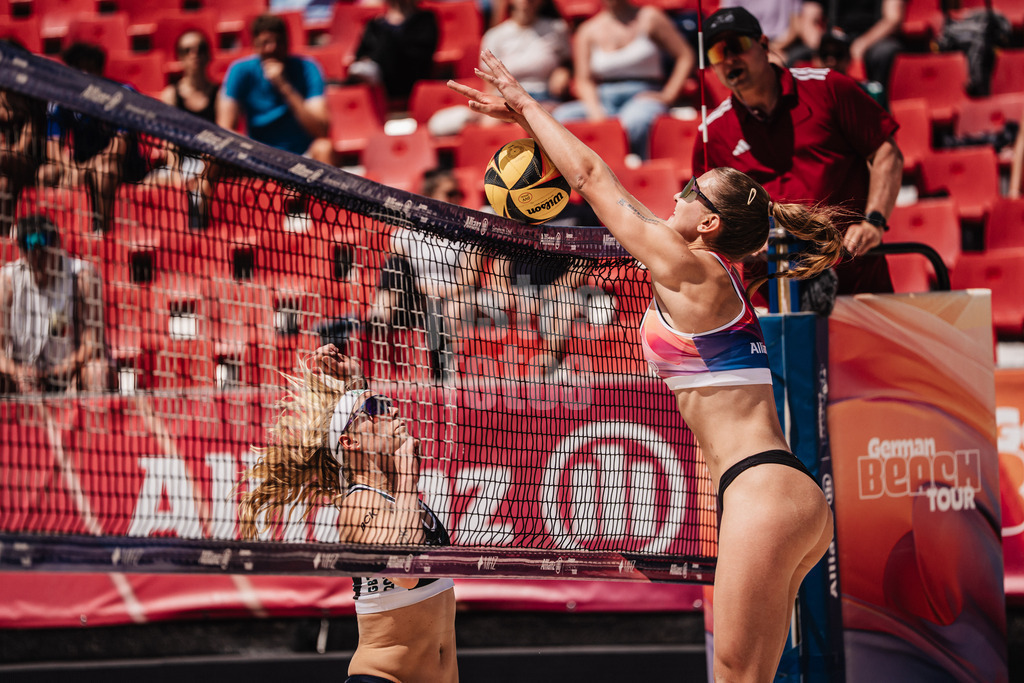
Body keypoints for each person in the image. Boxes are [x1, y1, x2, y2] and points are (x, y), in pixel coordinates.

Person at [450, 49, 841, 680]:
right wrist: (529, 128)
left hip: (762, 493)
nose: (679, 191)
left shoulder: (695, 270)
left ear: (709, 223)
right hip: (778, 491)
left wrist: (526, 104)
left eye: (691, 191)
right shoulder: (699, 272)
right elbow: (620, 199)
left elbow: (595, 180)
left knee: (738, 677)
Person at [238, 347, 458, 683]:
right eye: (376, 408)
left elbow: (362, 420)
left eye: (385, 402)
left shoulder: (395, 496)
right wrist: (409, 479)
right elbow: (406, 572)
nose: (392, 408)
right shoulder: (358, 506)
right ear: (350, 441)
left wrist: (356, 380)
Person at [692, 7, 903, 303]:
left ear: (764, 45)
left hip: (856, 284)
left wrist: (874, 221)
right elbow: (705, 212)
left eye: (737, 46)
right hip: (771, 298)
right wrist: (742, 243)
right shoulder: (713, 132)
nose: (728, 59)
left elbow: (886, 151)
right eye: (717, 53)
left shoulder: (828, 87)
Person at [364, 168, 481, 382]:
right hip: (414, 298)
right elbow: (396, 271)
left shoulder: (468, 235)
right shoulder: (408, 232)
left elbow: (469, 279)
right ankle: (379, 315)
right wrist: (422, 290)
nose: (455, 199)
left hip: (451, 295)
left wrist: (440, 290)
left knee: (450, 308)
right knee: (395, 264)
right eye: (449, 193)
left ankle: (448, 371)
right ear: (431, 197)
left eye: (458, 194)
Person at [551, 0, 695, 159]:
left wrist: (668, 95)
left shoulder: (650, 18)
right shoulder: (588, 30)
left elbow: (685, 56)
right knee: (561, 117)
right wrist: (595, 112)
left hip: (643, 93)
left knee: (635, 122)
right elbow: (584, 80)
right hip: (603, 97)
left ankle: (637, 170)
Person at [39, 42, 148, 233]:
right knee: (45, 174)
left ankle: (103, 232)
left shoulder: (121, 94)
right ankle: (57, 233)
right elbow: (53, 148)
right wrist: (70, 168)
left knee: (104, 171)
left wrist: (82, 170)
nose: (85, 75)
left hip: (124, 168)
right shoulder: (61, 99)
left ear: (100, 70)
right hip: (82, 164)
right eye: (79, 69)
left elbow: (118, 150)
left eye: (90, 69)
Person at [0, 214, 115, 394]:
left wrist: (54, 373)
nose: (40, 260)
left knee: (98, 372)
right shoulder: (7, 283)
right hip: (24, 375)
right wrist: (18, 372)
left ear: (57, 244)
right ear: (23, 253)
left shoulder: (82, 278)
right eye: (33, 253)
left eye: (45, 253)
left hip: (71, 372)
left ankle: (95, 421)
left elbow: (93, 344)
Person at [428, 0, 571, 137]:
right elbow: (490, 82)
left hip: (542, 97)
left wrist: (564, 71)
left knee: (528, 125)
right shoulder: (495, 35)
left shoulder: (557, 29)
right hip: (505, 98)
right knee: (491, 123)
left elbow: (569, 62)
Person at [217, 14, 337, 164]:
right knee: (216, 149)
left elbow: (321, 129)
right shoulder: (240, 70)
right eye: (265, 42)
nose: (272, 48)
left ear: (287, 42)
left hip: (302, 157)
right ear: (255, 44)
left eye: (278, 42)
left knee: (324, 147)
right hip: (256, 156)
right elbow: (225, 128)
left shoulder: (308, 68)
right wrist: (254, 151)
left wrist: (284, 86)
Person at [798, 0, 904, 95]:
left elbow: (892, 19)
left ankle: (876, 101)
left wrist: (862, 43)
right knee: (797, 55)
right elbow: (808, 20)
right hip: (833, 37)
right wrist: (822, 46)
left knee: (883, 52)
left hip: (870, 39)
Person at [346, 0, 439, 107]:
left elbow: (420, 57)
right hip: (376, 84)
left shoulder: (425, 20)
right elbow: (359, 55)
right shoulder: (375, 24)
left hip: (408, 81)